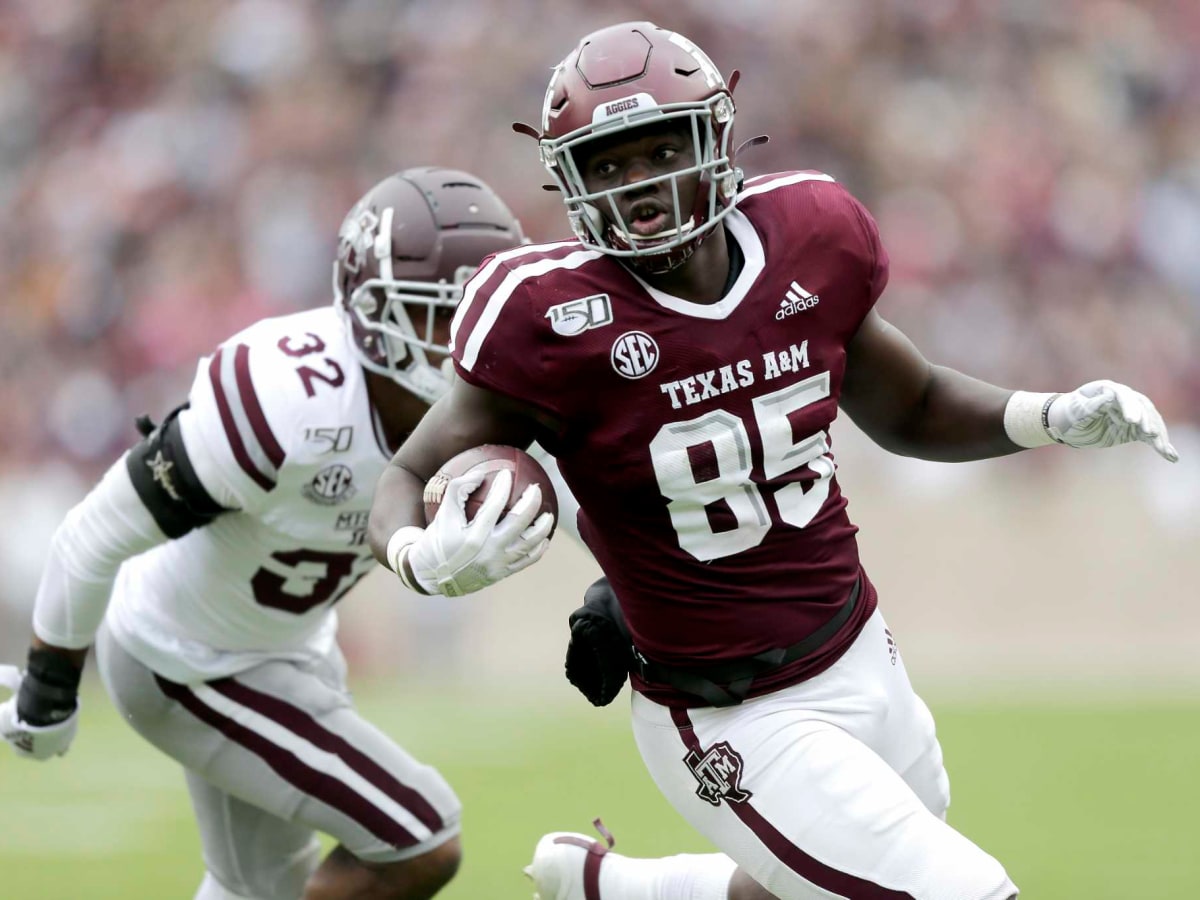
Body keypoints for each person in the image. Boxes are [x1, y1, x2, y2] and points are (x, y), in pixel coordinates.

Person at [364, 21, 1179, 900]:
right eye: (607, 164)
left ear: (715, 137)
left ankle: (619, 890)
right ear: (569, 178)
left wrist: (1048, 414)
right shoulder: (548, 318)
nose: (638, 185)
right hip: (729, 712)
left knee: (829, 882)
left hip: (861, 646)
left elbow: (908, 406)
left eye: (658, 149)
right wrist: (418, 559)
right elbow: (404, 478)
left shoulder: (810, 235)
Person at [0, 167, 527, 900]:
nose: (462, 341)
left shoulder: (498, 398)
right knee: (418, 835)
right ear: (373, 311)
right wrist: (49, 691)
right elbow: (96, 531)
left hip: (282, 651)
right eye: (439, 316)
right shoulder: (289, 401)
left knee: (258, 888)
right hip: (185, 662)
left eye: (476, 314)